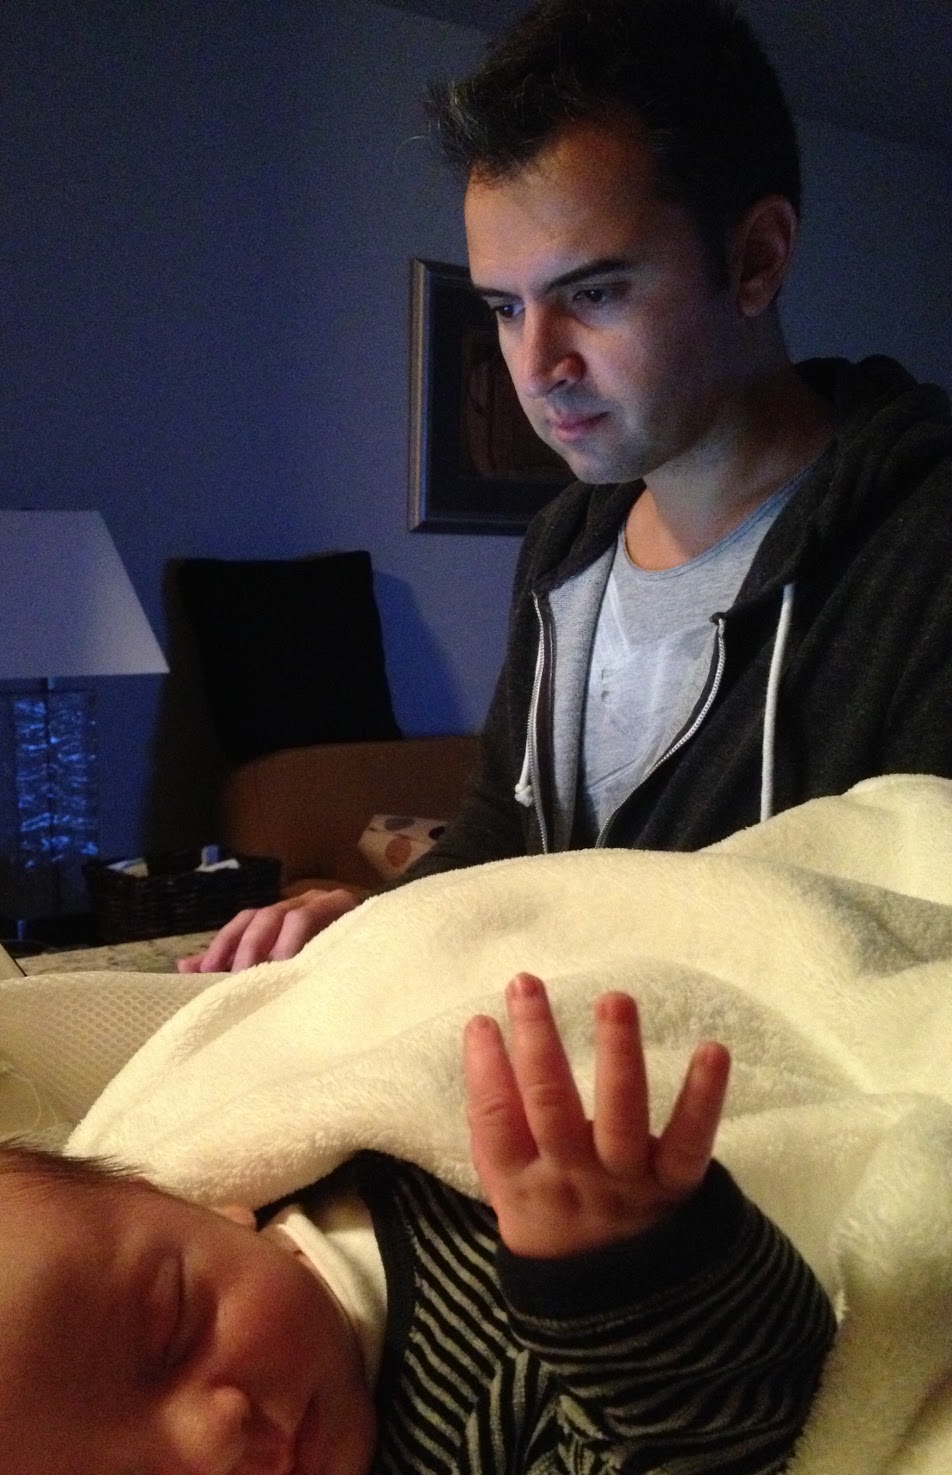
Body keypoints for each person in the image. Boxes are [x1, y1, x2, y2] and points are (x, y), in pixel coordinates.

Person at [180, 0, 952, 975]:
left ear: (756, 258)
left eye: (593, 293)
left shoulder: (923, 547)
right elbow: (497, 844)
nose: (537, 367)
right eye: (506, 308)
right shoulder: (565, 549)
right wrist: (370, 926)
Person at [0, 976, 835, 1475]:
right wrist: (633, 1266)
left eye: (173, 1325)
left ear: (211, 1205)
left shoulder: (310, 1157)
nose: (216, 1431)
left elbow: (367, 999)